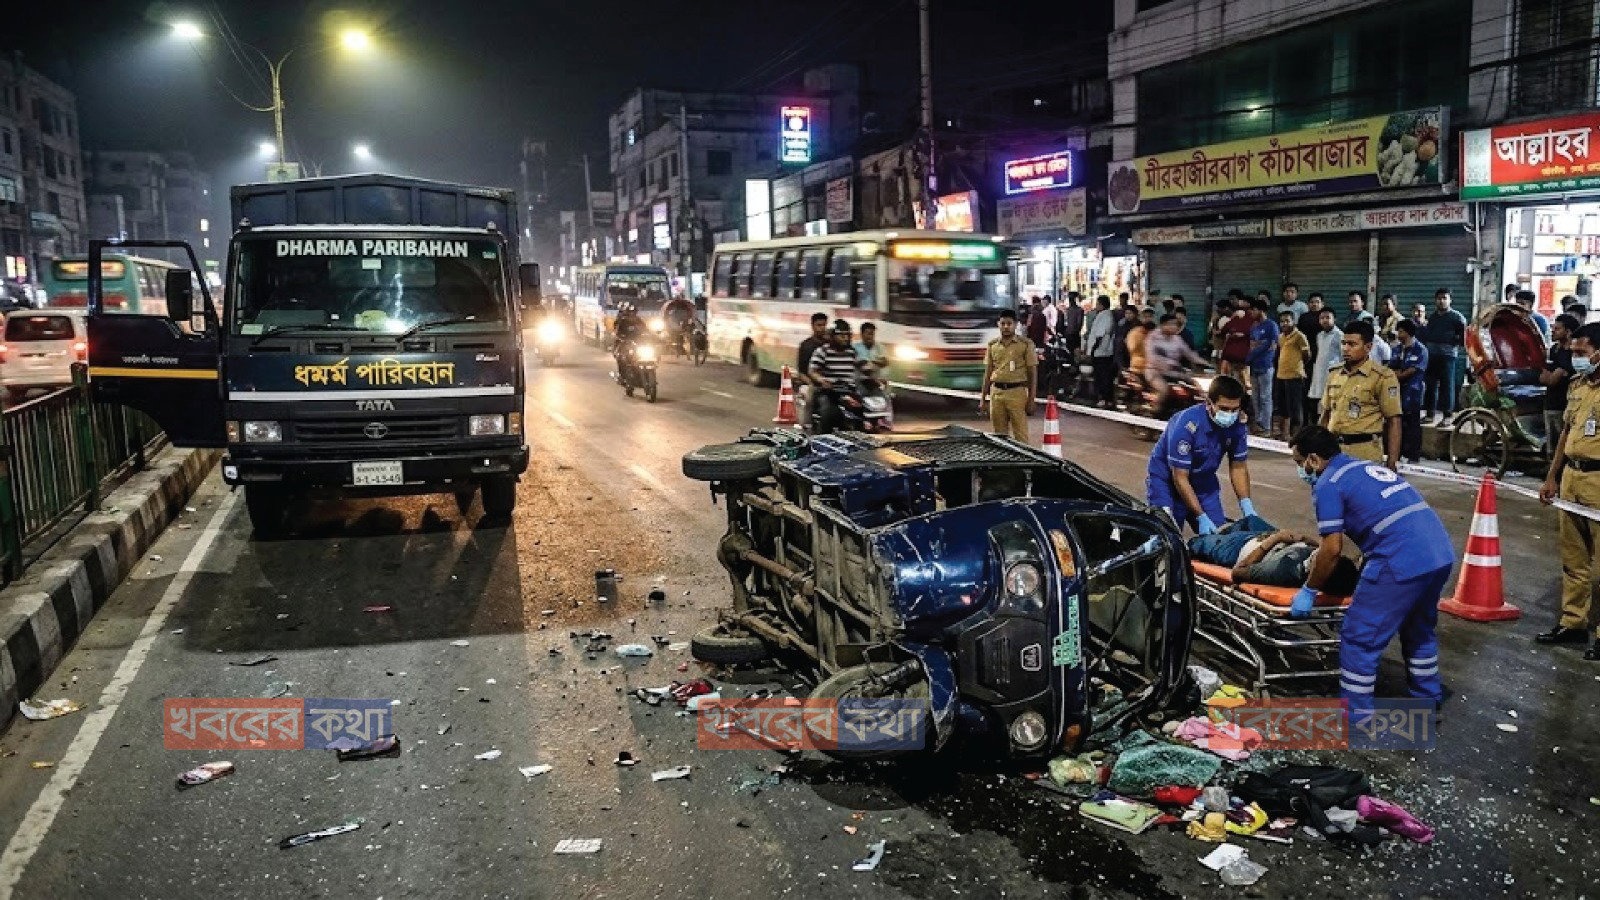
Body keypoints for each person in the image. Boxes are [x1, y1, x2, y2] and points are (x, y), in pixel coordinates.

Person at [1289, 426, 1456, 717]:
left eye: (1299, 462)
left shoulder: (1328, 483)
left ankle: (1356, 714)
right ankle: (1428, 698)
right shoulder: (1362, 466)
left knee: (1359, 637)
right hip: (1438, 553)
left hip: (1399, 560)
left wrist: (1309, 590)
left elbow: (1331, 550)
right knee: (1418, 629)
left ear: (1313, 460)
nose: (1300, 470)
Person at [1539, 322, 1600, 658]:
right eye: (1575, 352)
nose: (1577, 357)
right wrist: (1552, 477)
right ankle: (1573, 623)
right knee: (1573, 559)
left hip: (1599, 481)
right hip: (1572, 479)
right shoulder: (1578, 386)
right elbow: (1565, 434)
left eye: (1583, 352)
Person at [1145, 374, 1257, 535]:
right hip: (1167, 484)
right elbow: (1180, 477)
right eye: (1224, 409)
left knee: (1219, 539)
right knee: (1167, 538)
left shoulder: (1237, 426)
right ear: (1208, 403)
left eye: (1234, 409)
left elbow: (1238, 467)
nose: (1230, 414)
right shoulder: (1187, 425)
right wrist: (1200, 516)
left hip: (1203, 485)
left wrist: (1247, 506)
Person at [1190, 519, 1360, 594]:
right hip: (1267, 537)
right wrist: (1303, 539)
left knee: (1198, 543)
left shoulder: (1281, 570)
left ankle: (1221, 536)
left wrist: (1275, 539)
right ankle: (1229, 530)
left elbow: (1238, 572)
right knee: (1250, 520)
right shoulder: (1317, 564)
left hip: (1239, 547)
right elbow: (1319, 550)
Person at [1321, 320, 1402, 467]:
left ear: (1368, 347)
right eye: (1343, 343)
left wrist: (1392, 461)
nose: (1345, 349)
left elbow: (1394, 421)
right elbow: (1326, 415)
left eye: (1352, 344)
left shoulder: (1382, 377)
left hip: (1364, 454)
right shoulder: (1334, 374)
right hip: (1333, 453)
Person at [979, 309, 1037, 443]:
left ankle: (1023, 463)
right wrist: (983, 398)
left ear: (1015, 324)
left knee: (1020, 436)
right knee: (999, 438)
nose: (1006, 327)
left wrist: (1031, 399)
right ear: (998, 324)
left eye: (1009, 323)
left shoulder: (1026, 345)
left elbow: (1032, 373)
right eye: (1003, 323)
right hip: (997, 394)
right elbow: (988, 372)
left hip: (1017, 393)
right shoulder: (992, 345)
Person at [808, 319, 865, 434]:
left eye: (847, 335)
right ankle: (822, 437)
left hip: (849, 390)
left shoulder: (852, 352)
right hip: (830, 391)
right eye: (841, 335)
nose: (845, 338)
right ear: (832, 336)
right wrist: (822, 380)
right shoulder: (822, 351)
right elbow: (813, 371)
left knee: (866, 410)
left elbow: (863, 367)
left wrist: (871, 370)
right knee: (828, 413)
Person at [1420, 288, 1467, 425]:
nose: (1441, 301)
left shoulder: (1457, 318)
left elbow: (1464, 337)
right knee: (1430, 385)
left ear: (1450, 300)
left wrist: (1454, 342)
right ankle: (1430, 415)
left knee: (1447, 386)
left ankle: (1447, 416)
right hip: (1431, 355)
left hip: (1448, 356)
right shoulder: (1433, 317)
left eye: (1444, 298)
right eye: (1439, 298)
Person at [1541, 314, 1580, 455]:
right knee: (1553, 448)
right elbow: (1545, 377)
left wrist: (1555, 375)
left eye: (1557, 329)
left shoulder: (1575, 354)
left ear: (1568, 332)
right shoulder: (1554, 351)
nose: (1553, 331)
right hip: (1551, 403)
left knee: (1566, 448)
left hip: (1567, 405)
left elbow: (1552, 379)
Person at [1391, 320, 1429, 463]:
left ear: (1407, 332)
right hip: (1396, 393)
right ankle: (1397, 453)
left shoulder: (1421, 350)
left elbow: (1411, 371)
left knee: (1413, 424)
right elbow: (1390, 368)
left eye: (1400, 331)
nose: (1398, 334)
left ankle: (1413, 456)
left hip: (1413, 393)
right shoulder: (1396, 349)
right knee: (1397, 424)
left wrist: (1398, 374)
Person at [1146, 312, 1205, 405]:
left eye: (1175, 324)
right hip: (1155, 372)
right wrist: (1162, 364)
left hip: (1174, 372)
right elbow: (1151, 356)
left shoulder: (1177, 339)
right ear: (1162, 325)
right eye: (1171, 324)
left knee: (1197, 387)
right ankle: (1154, 413)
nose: (1174, 327)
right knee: (1164, 390)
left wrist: (1205, 363)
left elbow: (1189, 354)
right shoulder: (1153, 337)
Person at [1273, 311, 1310, 441]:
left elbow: (1307, 356)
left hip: (1295, 376)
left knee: (1295, 408)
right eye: (1282, 321)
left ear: (1293, 321)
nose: (1284, 323)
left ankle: (1296, 436)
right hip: (1281, 376)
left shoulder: (1300, 336)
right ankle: (1285, 434)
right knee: (1283, 407)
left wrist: (1296, 365)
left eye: (1287, 321)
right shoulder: (1280, 337)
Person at [1245, 298, 1279, 434]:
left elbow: (1271, 346)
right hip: (1254, 366)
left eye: (1253, 310)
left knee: (1265, 397)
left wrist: (1255, 352)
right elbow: (1253, 345)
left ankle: (1266, 427)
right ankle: (1258, 423)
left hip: (1266, 366)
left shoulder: (1272, 325)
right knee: (1255, 397)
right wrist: (1251, 357)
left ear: (1261, 310)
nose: (1251, 313)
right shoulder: (1254, 327)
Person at [795, 311, 831, 428]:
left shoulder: (830, 344)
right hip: (810, 383)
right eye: (819, 325)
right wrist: (811, 383)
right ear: (813, 326)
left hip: (828, 383)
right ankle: (807, 424)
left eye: (824, 325)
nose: (822, 329)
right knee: (809, 396)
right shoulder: (805, 345)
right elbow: (801, 372)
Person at [1306, 308, 1342, 425]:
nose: (1325, 320)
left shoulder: (1340, 335)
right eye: (1322, 318)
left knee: (1330, 407)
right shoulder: (1319, 335)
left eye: (1328, 318)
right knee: (1317, 406)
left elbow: (1343, 358)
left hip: (1332, 376)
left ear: (1334, 319)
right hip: (1319, 375)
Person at [1086, 295, 1117, 407]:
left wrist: (1093, 350)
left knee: (1102, 376)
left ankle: (1104, 398)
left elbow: (1099, 335)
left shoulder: (1105, 316)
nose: (1096, 306)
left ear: (1102, 305)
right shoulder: (1106, 315)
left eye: (1098, 304)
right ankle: (1106, 399)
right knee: (1104, 376)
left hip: (1101, 352)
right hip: (1103, 351)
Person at [612, 301, 648, 380]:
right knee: (621, 358)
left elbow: (646, 330)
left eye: (634, 312)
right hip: (625, 344)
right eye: (630, 312)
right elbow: (617, 332)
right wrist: (621, 338)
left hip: (637, 344)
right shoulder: (622, 321)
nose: (632, 314)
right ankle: (622, 376)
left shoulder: (639, 321)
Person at [1126, 307, 1156, 384]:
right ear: (1141, 318)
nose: (1148, 319)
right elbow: (1131, 349)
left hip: (1155, 372)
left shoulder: (1158, 333)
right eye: (1145, 317)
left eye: (1150, 317)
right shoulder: (1134, 333)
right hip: (1138, 371)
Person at [1297, 293, 1326, 359]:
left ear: (1322, 304)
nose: (1314, 304)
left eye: (1317, 302)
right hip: (1306, 349)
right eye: (1312, 302)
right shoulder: (1303, 317)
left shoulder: (1326, 317)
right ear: (1308, 304)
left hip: (1322, 350)